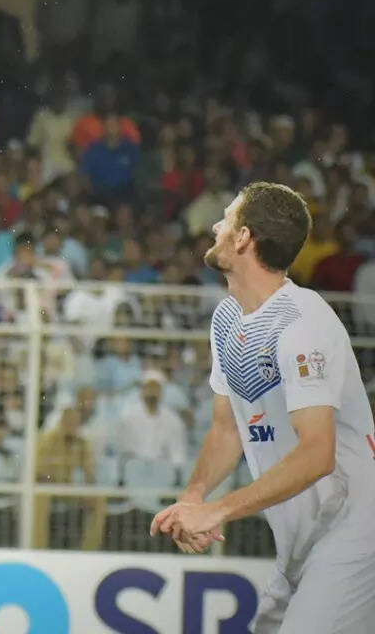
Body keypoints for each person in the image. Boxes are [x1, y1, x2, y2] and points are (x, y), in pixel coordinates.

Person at [150, 182, 375, 633]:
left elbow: (317, 455)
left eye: (226, 219)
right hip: (301, 544)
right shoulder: (227, 318)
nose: (215, 227)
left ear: (243, 238)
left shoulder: (303, 323)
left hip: (355, 532)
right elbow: (226, 428)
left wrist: (218, 510)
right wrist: (194, 496)